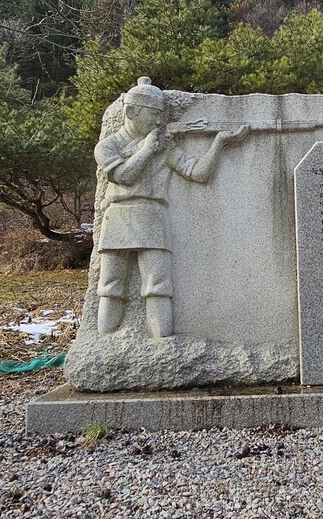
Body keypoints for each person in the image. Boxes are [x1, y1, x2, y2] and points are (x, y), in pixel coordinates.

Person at [93, 77, 249, 337]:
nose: (159, 121)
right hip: (118, 215)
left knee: (158, 286)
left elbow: (197, 173)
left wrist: (219, 142)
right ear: (131, 112)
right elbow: (123, 176)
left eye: (161, 115)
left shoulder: (164, 146)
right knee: (110, 286)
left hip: (153, 216)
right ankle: (106, 341)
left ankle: (161, 341)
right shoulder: (108, 146)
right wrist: (147, 149)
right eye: (153, 114)